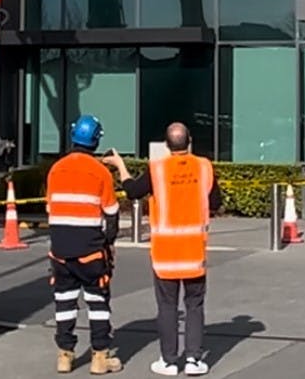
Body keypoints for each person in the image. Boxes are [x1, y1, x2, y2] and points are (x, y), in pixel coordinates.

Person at [104, 123, 221, 377]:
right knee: (195, 306)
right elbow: (216, 202)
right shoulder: (204, 167)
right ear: (189, 141)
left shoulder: (156, 170)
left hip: (165, 254)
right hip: (193, 252)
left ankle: (168, 361)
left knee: (167, 307)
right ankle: (193, 359)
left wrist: (120, 165)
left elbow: (133, 191)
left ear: (167, 145)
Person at [46, 115, 123, 375]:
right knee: (97, 301)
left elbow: (50, 207)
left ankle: (64, 356)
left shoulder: (56, 169)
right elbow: (111, 212)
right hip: (90, 250)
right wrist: (109, 243)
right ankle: (100, 357)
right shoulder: (101, 171)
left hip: (60, 250)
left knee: (64, 302)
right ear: (96, 140)